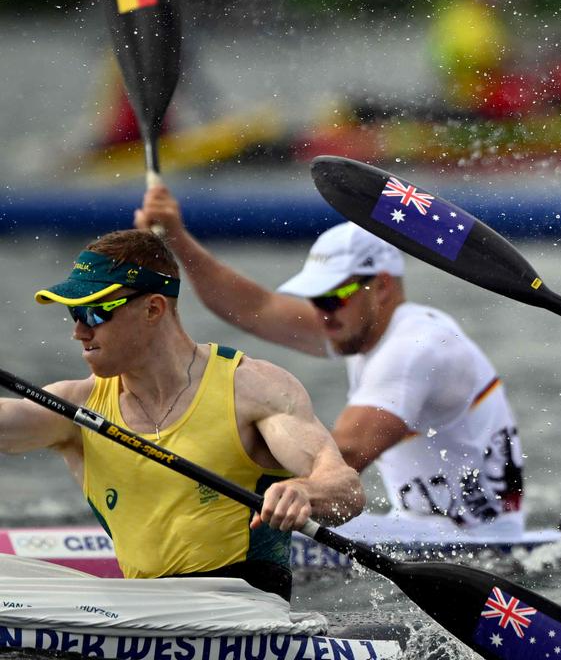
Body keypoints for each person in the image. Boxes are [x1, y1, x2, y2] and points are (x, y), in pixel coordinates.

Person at [135, 189, 527, 537]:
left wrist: (207, 483)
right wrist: (177, 239)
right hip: (426, 529)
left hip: (475, 541)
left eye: (332, 297)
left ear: (383, 286)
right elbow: (255, 307)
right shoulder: (359, 324)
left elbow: (344, 456)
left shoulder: (415, 348)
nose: (322, 314)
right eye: (315, 299)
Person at [0, 230, 363, 600]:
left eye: (94, 312)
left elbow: (347, 490)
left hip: (247, 615)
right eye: (73, 313)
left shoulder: (251, 390)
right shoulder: (75, 407)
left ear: (153, 308)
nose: (79, 331)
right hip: (146, 619)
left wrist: (305, 491)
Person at [426, 0, 528, 115]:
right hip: (467, 100)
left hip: (479, 96)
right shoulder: (463, 13)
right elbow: (466, 51)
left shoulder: (482, 14)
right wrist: (505, 54)